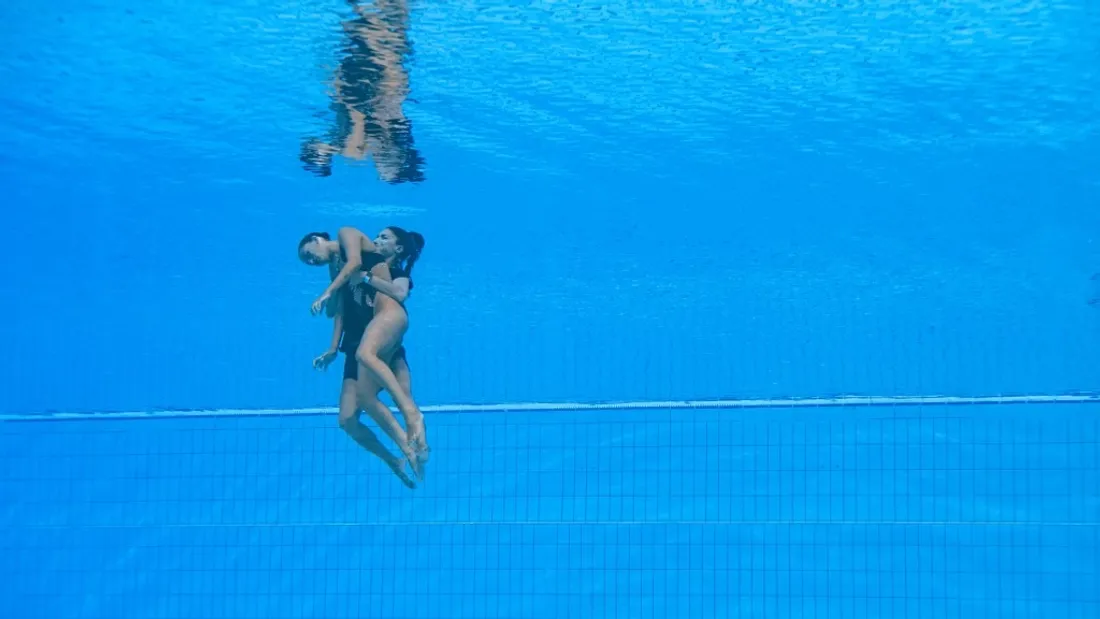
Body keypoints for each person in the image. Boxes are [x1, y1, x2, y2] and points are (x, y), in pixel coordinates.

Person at [298, 228, 418, 486]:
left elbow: (396, 293)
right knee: (347, 420)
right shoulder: (340, 270)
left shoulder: (367, 260)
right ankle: (393, 459)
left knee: (402, 398)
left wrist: (330, 290)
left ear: (316, 239)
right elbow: (338, 313)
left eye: (309, 254)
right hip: (355, 346)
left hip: (382, 342)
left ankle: (414, 446)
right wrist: (332, 348)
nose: (311, 262)